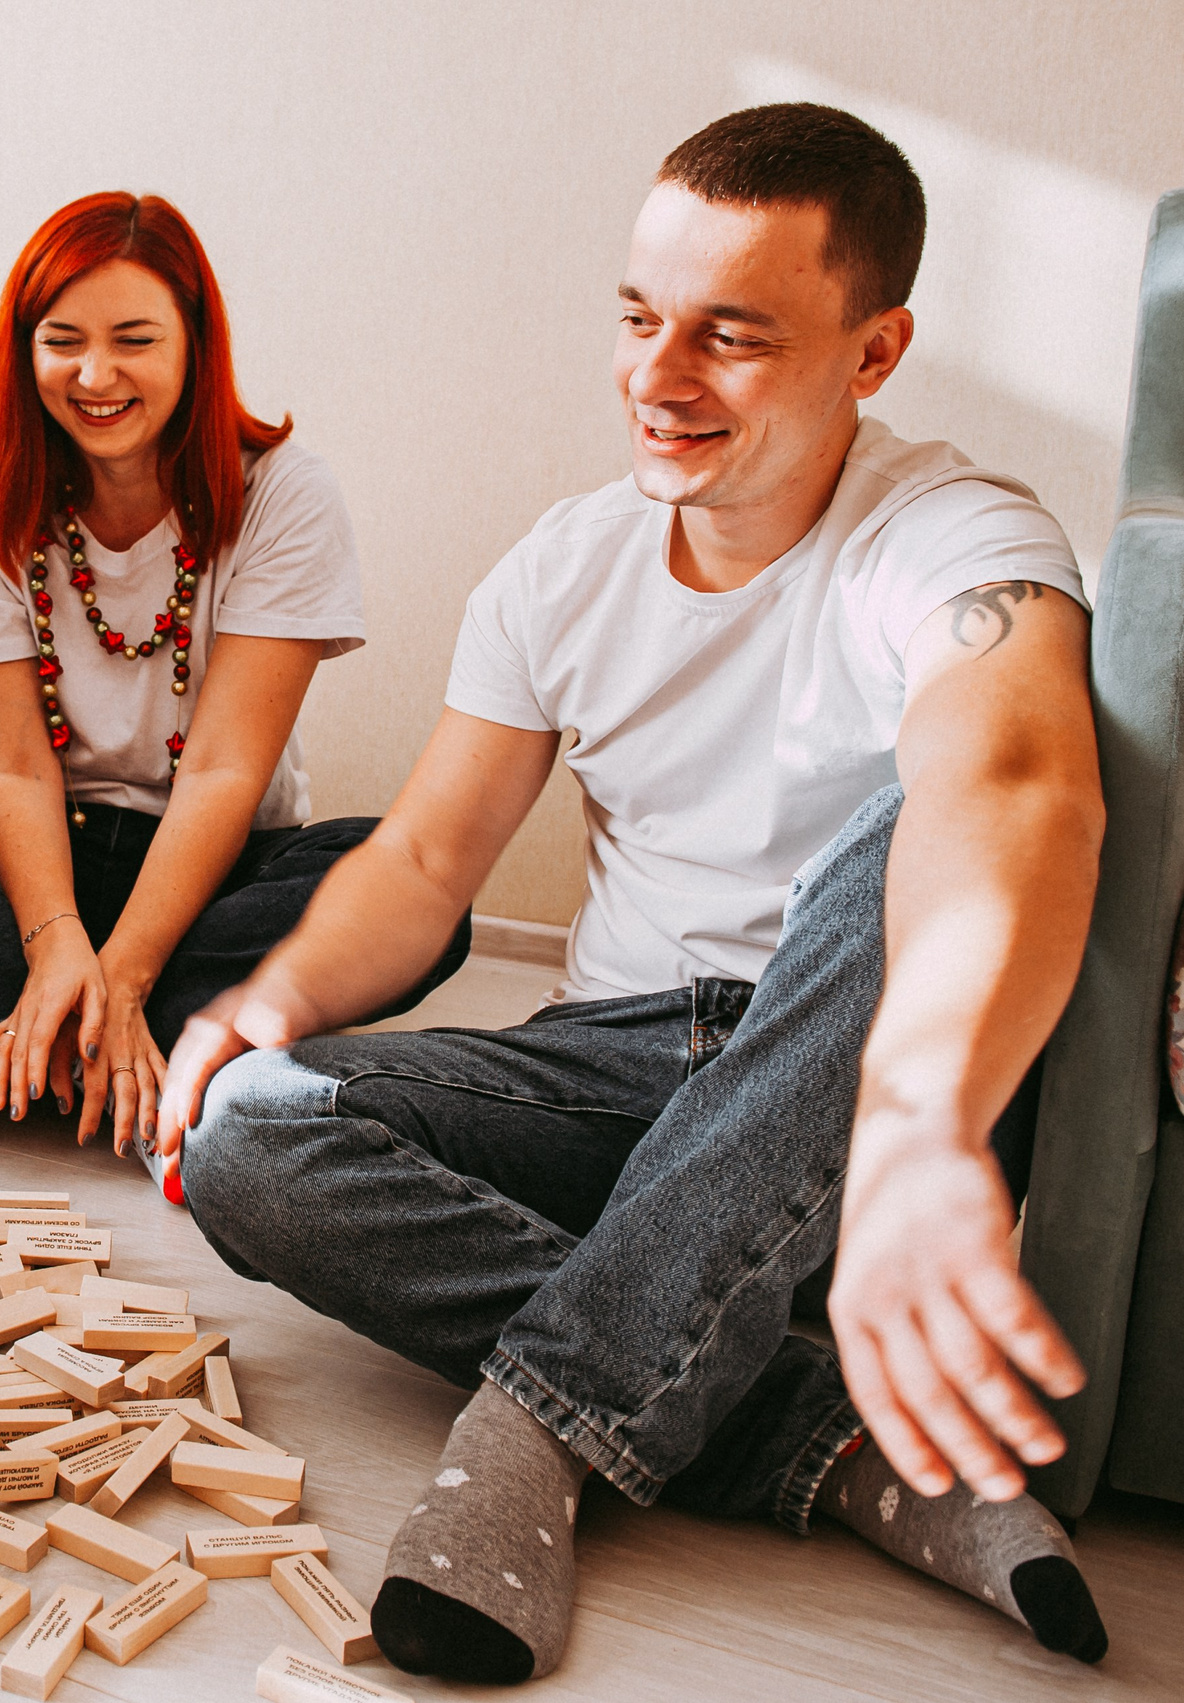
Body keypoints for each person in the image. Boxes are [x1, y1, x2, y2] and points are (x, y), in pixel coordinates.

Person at [157, 104, 1111, 1681]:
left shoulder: (962, 537)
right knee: (253, 1125)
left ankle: (535, 1433)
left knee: (897, 827)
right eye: (638, 319)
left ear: (874, 353)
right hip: (619, 1063)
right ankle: (832, 1444)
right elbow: (424, 858)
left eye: (730, 338)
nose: (659, 380)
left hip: (856, 1084)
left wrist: (930, 1126)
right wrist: (259, 1010)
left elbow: (1017, 792)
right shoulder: (564, 566)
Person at [0, 192, 467, 1157]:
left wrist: (122, 973)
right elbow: (11, 770)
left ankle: (18, 1043)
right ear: (23, 351)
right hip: (29, 862)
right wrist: (54, 938)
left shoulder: (285, 492)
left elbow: (222, 772)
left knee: (418, 890)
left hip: (210, 866)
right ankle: (63, 1036)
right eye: (62, 339)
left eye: (134, 338)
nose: (96, 373)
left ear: (194, 345)